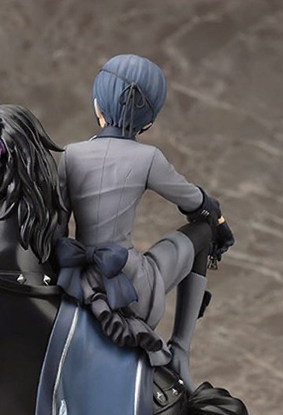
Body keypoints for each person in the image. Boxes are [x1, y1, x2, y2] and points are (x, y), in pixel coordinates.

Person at [55, 54, 234, 393]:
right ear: (149, 122)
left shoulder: (71, 155)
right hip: (130, 288)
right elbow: (195, 202)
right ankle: (180, 350)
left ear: (97, 105)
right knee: (201, 232)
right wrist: (218, 220)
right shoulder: (148, 158)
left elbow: (59, 228)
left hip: (78, 285)